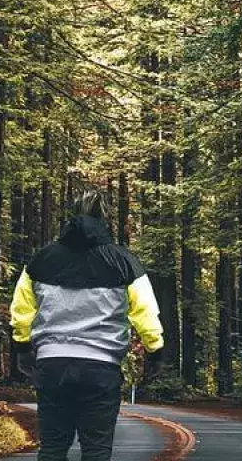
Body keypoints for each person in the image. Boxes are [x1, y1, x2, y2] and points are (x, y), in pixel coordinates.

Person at [9, 190, 163, 461]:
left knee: (53, 449)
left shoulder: (41, 260)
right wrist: (155, 351)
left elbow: (22, 310)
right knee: (97, 451)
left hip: (53, 366)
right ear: (105, 218)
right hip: (100, 369)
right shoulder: (124, 262)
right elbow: (146, 312)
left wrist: (22, 348)